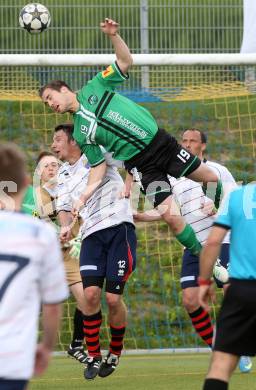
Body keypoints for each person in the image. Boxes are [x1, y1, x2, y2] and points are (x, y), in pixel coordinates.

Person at [39, 17, 220, 260]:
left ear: (64, 89)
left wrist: (113, 35)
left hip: (161, 145)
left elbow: (125, 61)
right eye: (46, 103)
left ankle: (224, 217)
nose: (51, 104)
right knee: (173, 220)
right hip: (141, 165)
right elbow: (98, 167)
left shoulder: (96, 85)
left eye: (50, 97)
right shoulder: (80, 133)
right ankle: (211, 262)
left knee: (211, 178)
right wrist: (82, 197)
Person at [135, 128, 252, 372]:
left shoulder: (217, 171)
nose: (187, 144)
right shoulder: (173, 177)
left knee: (234, 293)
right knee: (190, 300)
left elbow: (232, 200)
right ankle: (219, 346)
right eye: (184, 141)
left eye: (193, 141)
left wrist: (215, 202)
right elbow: (168, 211)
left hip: (224, 241)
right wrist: (142, 216)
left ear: (203, 147)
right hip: (194, 246)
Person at [52, 123, 137, 380]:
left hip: (118, 228)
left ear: (73, 141)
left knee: (112, 299)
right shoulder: (63, 176)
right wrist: (66, 227)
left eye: (57, 139)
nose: (53, 145)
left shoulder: (98, 153)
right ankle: (93, 354)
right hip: (90, 236)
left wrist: (129, 184)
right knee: (90, 295)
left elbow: (131, 159)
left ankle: (115, 351)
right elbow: (64, 208)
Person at [0, 143, 68, 390]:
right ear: (28, 182)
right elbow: (52, 305)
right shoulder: (42, 234)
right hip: (13, 358)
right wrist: (47, 347)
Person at [198, 182, 256, 390]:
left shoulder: (237, 196)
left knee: (220, 366)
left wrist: (204, 282)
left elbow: (213, 242)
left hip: (242, 291)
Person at [34, 151, 88, 364]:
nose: (52, 168)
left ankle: (76, 345)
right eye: (46, 165)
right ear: (39, 171)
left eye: (55, 164)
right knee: (31, 304)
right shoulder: (38, 194)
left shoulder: (72, 188)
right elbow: (51, 221)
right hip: (47, 258)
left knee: (87, 299)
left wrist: (82, 236)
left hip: (71, 255)